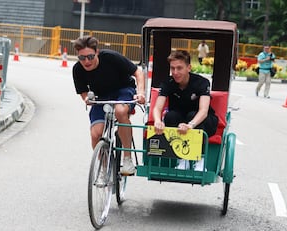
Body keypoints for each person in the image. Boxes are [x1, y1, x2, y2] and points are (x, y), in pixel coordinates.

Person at [72, 36, 145, 175]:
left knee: (120, 111)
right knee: (96, 134)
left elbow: (138, 72)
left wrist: (140, 93)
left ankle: (128, 159)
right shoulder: (77, 69)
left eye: (90, 56)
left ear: (97, 52)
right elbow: (83, 92)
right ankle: (105, 168)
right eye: (82, 58)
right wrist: (87, 98)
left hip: (123, 90)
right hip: (101, 97)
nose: (86, 61)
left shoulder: (111, 57)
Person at [152, 50, 218, 171]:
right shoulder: (168, 82)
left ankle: (200, 159)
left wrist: (190, 125)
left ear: (189, 68)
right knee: (170, 116)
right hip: (180, 119)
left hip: (203, 120)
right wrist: (157, 121)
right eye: (172, 68)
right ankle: (182, 157)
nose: (175, 72)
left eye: (179, 68)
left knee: (192, 115)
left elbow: (203, 111)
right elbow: (157, 107)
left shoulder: (202, 82)